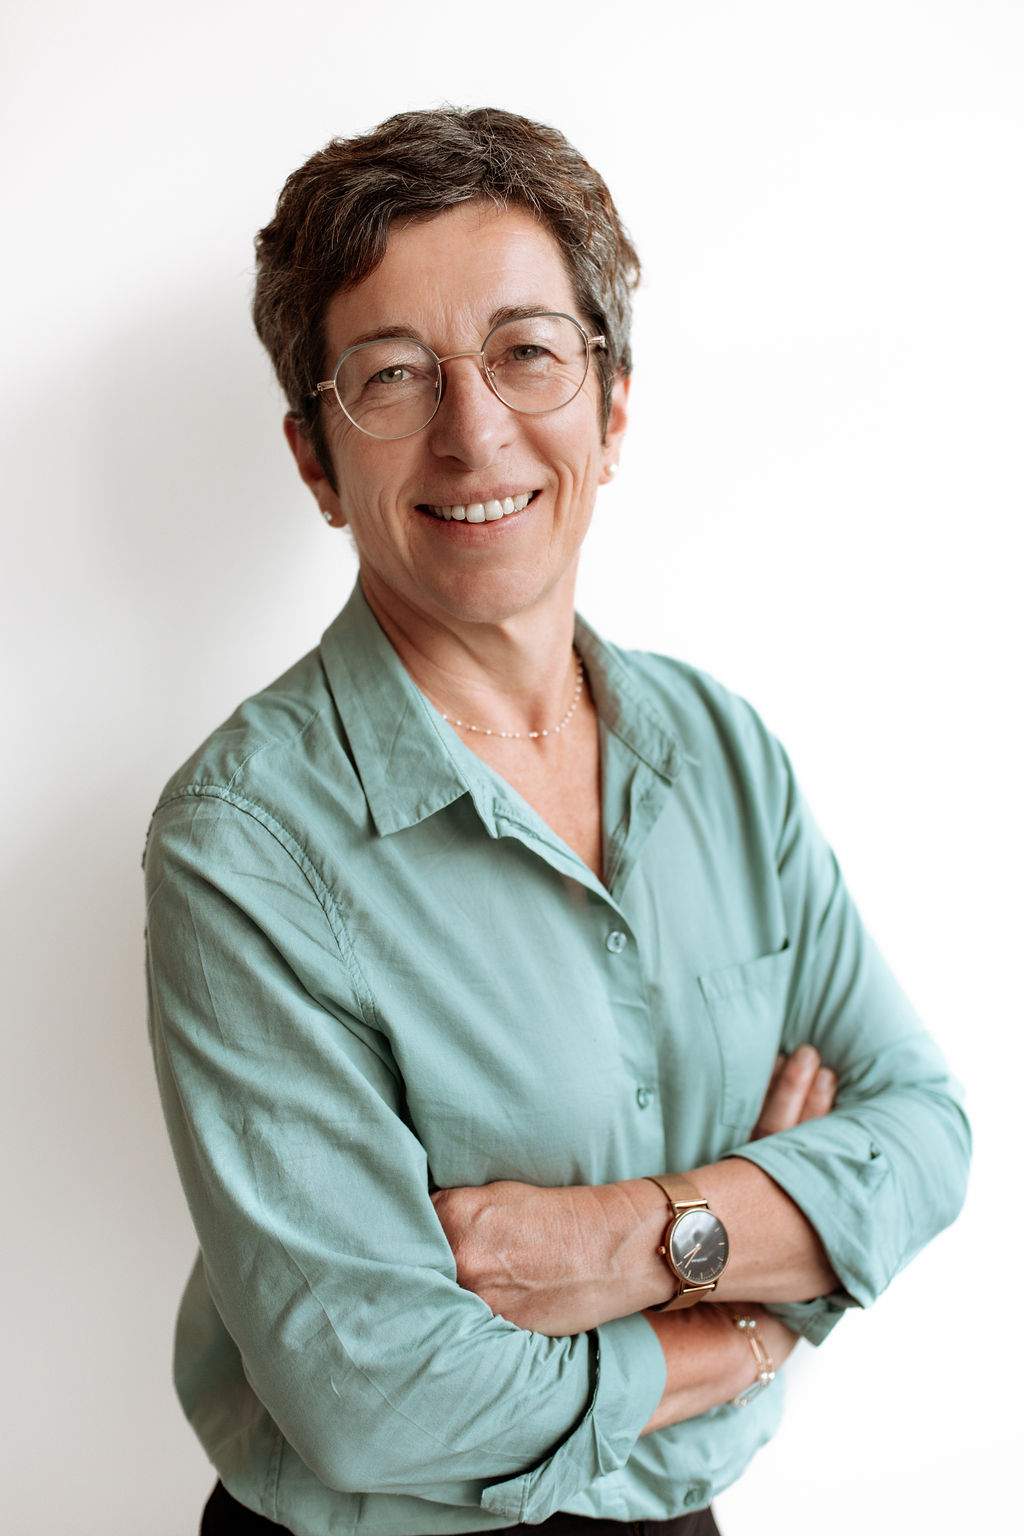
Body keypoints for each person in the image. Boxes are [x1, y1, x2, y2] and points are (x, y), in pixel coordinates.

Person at [144, 107, 970, 1536]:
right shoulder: (246, 838)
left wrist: (622, 1240)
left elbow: (925, 1136)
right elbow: (371, 1391)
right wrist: (746, 1322)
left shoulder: (721, 751)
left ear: (613, 405)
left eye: (527, 353)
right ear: (315, 461)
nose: (475, 434)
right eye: (392, 376)